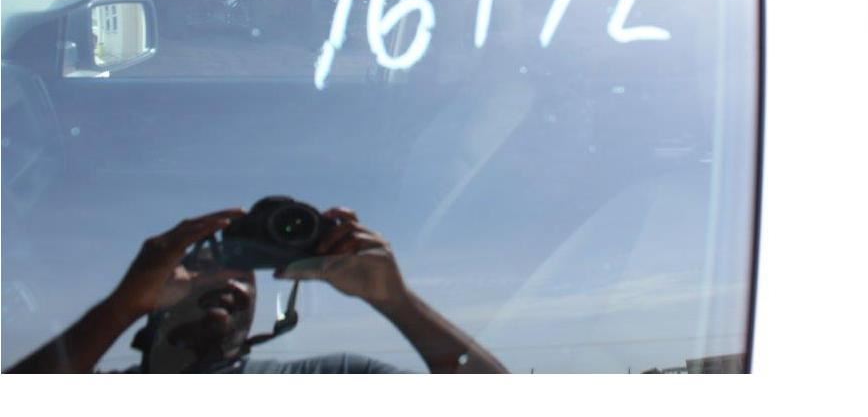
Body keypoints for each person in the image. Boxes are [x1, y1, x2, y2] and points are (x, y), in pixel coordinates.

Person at [6, 207, 508, 374]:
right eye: (204, 268)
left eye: (245, 273)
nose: (230, 280)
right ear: (152, 308)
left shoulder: (335, 379)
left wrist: (396, 301)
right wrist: (119, 307)